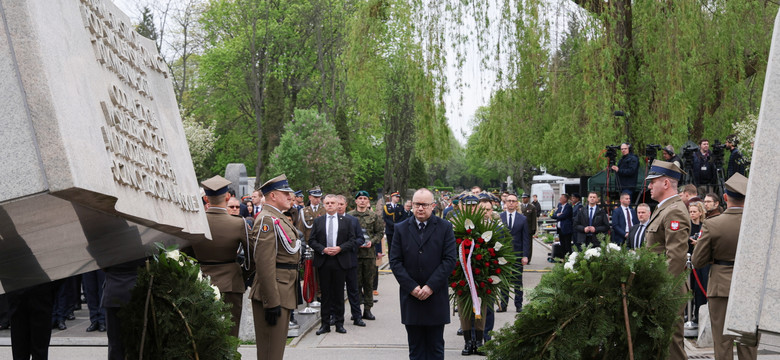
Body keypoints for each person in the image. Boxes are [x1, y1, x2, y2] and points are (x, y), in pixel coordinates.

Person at [692, 173, 757, 359]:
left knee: (722, 342)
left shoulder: (713, 224)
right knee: (748, 344)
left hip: (720, 286)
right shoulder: (755, 224)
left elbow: (697, 261)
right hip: (749, 286)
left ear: (726, 198)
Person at [390, 188, 457, 360]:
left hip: (435, 296)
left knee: (435, 347)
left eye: (424, 205)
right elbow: (396, 262)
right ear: (411, 205)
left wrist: (430, 286)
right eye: (417, 204)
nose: (420, 208)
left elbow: (449, 260)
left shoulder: (445, 227)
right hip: (411, 297)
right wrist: (412, 287)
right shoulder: (401, 228)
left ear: (433, 206)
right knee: (416, 348)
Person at [249, 174, 301, 360]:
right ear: (272, 196)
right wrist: (271, 302)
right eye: (285, 193)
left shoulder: (278, 217)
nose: (290, 197)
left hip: (283, 289)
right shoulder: (267, 220)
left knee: (275, 351)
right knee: (270, 352)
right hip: (274, 293)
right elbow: (264, 263)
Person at [193, 175, 251, 338]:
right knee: (229, 336)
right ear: (227, 197)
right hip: (231, 284)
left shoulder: (197, 222)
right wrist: (242, 276)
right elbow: (252, 257)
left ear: (206, 198)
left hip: (201, 282)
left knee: (204, 337)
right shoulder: (238, 223)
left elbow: (187, 253)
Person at [643, 160, 690, 360]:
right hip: (660, 286)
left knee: (671, 345)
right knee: (663, 344)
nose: (649, 186)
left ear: (665, 184)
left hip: (668, 289)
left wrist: (664, 292)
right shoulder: (664, 208)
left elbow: (675, 258)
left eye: (652, 181)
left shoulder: (675, 211)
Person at [310, 194, 356, 335]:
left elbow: (352, 240)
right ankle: (325, 324)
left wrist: (340, 248)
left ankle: (339, 323)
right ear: (324, 205)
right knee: (325, 294)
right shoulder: (318, 221)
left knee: (338, 294)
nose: (330, 205)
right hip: (324, 260)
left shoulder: (346, 221)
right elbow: (311, 240)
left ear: (338, 205)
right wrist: (323, 249)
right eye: (327, 203)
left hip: (340, 260)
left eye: (332, 203)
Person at [348, 190, 384, 322]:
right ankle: (356, 310)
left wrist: (372, 242)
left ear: (368, 201)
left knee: (368, 283)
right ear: (356, 201)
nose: (362, 200)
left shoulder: (374, 216)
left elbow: (379, 233)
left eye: (365, 198)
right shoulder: (349, 216)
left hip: (369, 254)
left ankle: (367, 310)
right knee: (355, 283)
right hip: (354, 254)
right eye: (360, 198)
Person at [335, 195, 367, 327]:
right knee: (335, 291)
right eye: (337, 204)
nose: (339, 206)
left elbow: (361, 238)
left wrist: (350, 245)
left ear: (346, 205)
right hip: (335, 260)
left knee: (353, 289)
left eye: (342, 204)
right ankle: (335, 316)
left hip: (350, 259)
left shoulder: (353, 220)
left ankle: (357, 316)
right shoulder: (328, 220)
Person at [498, 194, 530, 313]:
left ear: (517, 204)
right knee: (504, 280)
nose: (511, 203)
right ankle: (503, 304)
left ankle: (518, 304)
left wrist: (525, 255)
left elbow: (526, 238)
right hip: (503, 254)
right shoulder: (499, 218)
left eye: (513, 201)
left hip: (517, 253)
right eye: (509, 201)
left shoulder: (523, 219)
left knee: (518, 281)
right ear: (505, 203)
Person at [688, 201, 708, 324]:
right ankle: (689, 315)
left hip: (700, 263)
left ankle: (699, 315)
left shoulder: (704, 226)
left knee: (700, 289)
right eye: (690, 212)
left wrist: (698, 243)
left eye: (694, 211)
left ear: (700, 213)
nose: (692, 214)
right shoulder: (688, 226)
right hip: (689, 262)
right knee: (690, 289)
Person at [520, 193, 537, 263]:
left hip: (529, 228)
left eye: (525, 198)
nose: (524, 199)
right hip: (520, 228)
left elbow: (534, 219)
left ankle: (528, 259)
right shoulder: (520, 206)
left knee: (529, 244)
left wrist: (534, 229)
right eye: (523, 198)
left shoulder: (532, 207)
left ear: (528, 198)